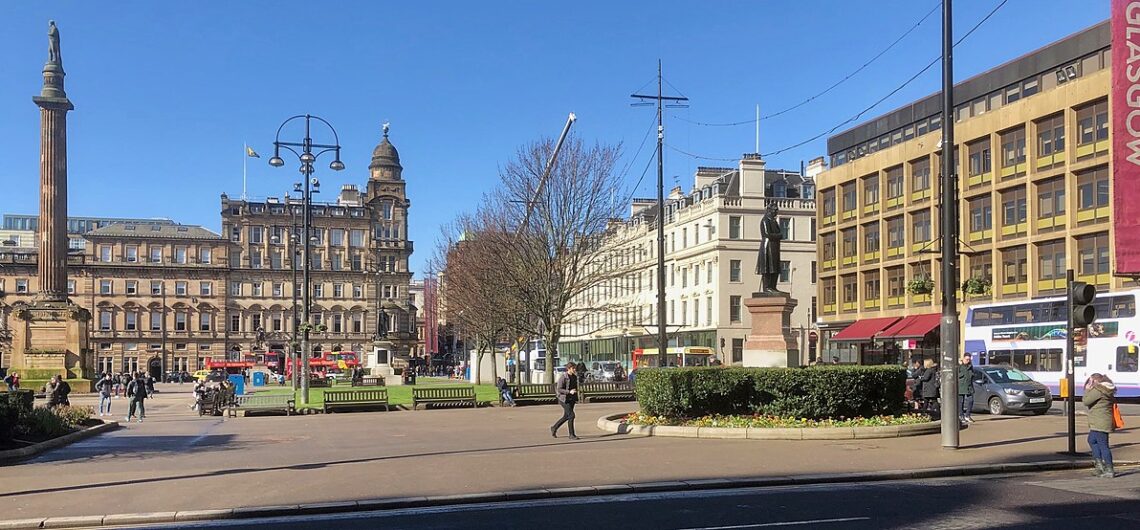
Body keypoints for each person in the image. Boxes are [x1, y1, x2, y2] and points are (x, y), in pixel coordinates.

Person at [1083, 373, 1118, 478]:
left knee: (1103, 445)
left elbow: (1086, 401)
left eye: (1090, 381)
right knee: (1092, 440)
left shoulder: (1099, 390)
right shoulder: (1107, 389)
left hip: (1099, 422)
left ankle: (1109, 469)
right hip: (1101, 420)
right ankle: (1099, 466)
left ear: (1094, 381)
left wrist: (1088, 390)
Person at [550, 363, 579, 440]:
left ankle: (554, 427)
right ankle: (571, 434)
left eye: (575, 368)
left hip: (571, 399)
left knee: (566, 416)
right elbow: (559, 389)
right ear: (569, 369)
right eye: (573, 368)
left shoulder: (574, 377)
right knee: (571, 415)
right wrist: (569, 392)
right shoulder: (563, 377)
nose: (574, 370)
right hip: (564, 399)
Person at [957, 354, 975, 424]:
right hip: (961, 387)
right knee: (961, 402)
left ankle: (967, 415)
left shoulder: (970, 367)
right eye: (967, 359)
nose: (968, 361)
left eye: (969, 359)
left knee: (971, 400)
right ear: (963, 359)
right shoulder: (960, 367)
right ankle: (961, 415)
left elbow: (972, 375)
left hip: (969, 387)